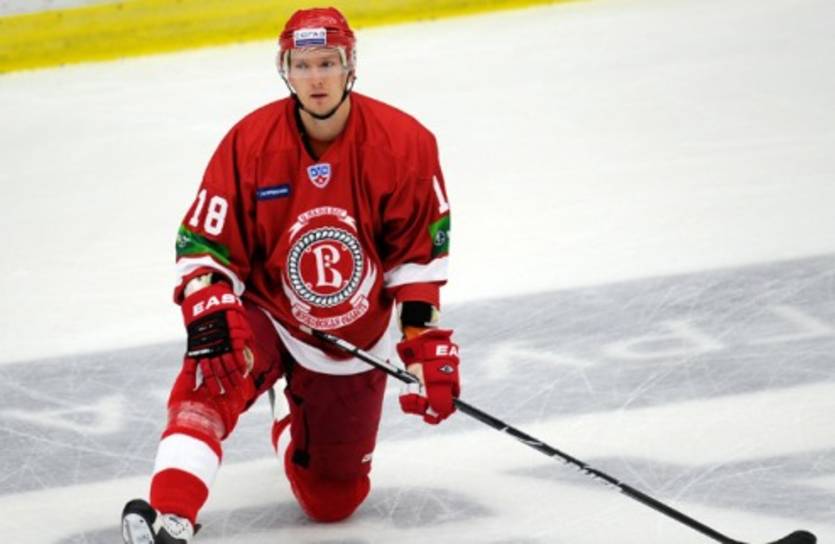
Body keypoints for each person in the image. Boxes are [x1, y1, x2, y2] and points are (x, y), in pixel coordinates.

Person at [120, 6, 459, 544]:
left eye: (327, 62)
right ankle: (171, 515)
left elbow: (415, 263)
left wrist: (422, 345)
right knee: (211, 369)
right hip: (269, 313)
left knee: (332, 501)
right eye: (302, 65)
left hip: (352, 337)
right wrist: (209, 302)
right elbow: (205, 243)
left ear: (350, 66)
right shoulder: (250, 143)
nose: (316, 78)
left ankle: (286, 412)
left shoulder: (405, 144)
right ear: (286, 70)